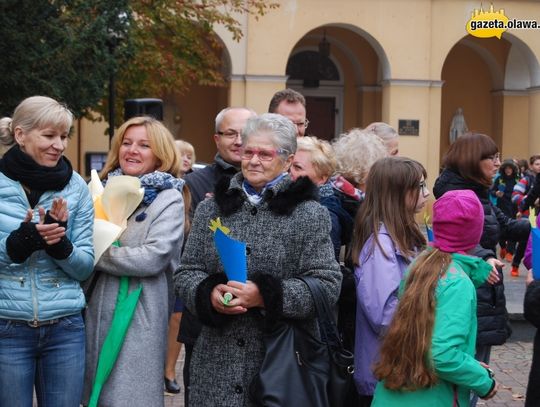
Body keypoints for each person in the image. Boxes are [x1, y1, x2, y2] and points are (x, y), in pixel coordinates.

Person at [174, 113, 341, 406]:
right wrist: (209, 293)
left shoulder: (309, 214)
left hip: (281, 363)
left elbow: (326, 285)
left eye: (265, 154)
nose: (253, 160)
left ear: (288, 161)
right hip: (216, 364)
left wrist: (265, 295)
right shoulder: (211, 209)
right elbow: (187, 272)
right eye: (248, 152)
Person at [82, 116, 185, 406]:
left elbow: (151, 258)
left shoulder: (168, 199)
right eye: (126, 143)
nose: (132, 150)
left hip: (140, 313)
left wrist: (97, 254)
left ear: (160, 154)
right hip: (96, 309)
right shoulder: (101, 191)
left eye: (144, 145)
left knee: (129, 395)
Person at [0, 96, 94, 406]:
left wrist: (60, 246)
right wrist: (18, 244)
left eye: (64, 136)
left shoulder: (76, 187)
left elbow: (84, 268)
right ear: (20, 136)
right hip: (7, 326)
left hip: (65, 328)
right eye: (49, 135)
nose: (59, 145)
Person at [372, 189, 498, 406]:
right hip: (432, 396)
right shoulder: (458, 282)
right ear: (474, 234)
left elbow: (430, 337)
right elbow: (441, 355)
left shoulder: (420, 265)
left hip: (399, 391)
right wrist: (483, 382)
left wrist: (470, 364)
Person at [432, 132, 530, 407]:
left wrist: (531, 228)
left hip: (483, 291)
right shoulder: (459, 195)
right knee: (465, 372)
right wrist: (485, 256)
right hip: (469, 288)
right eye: (493, 158)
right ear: (473, 160)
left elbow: (506, 226)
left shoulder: (480, 193)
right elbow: (451, 242)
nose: (498, 163)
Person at [179, 106, 255, 405]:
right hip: (204, 322)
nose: (238, 140)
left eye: (244, 133)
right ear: (216, 139)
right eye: (230, 133)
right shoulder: (195, 184)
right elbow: (190, 255)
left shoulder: (271, 186)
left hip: (255, 322)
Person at [350, 156, 429, 407]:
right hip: (386, 374)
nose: (427, 193)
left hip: (399, 369)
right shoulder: (380, 245)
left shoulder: (402, 235)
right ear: (398, 193)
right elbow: (385, 315)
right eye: (420, 186)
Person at [163, 139, 196, 395]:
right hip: (165, 262)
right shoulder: (162, 186)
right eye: (181, 155)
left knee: (178, 316)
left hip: (185, 262)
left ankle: (169, 370)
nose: (186, 159)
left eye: (190, 155)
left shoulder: (190, 186)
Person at [490, 160, 523, 276]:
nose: (508, 170)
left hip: (514, 208)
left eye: (510, 168)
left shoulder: (518, 180)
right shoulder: (500, 179)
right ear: (504, 169)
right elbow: (492, 190)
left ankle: (510, 251)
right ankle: (503, 246)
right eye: (506, 168)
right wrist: (496, 193)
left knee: (514, 228)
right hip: (502, 206)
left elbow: (523, 192)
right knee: (501, 229)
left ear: (513, 169)